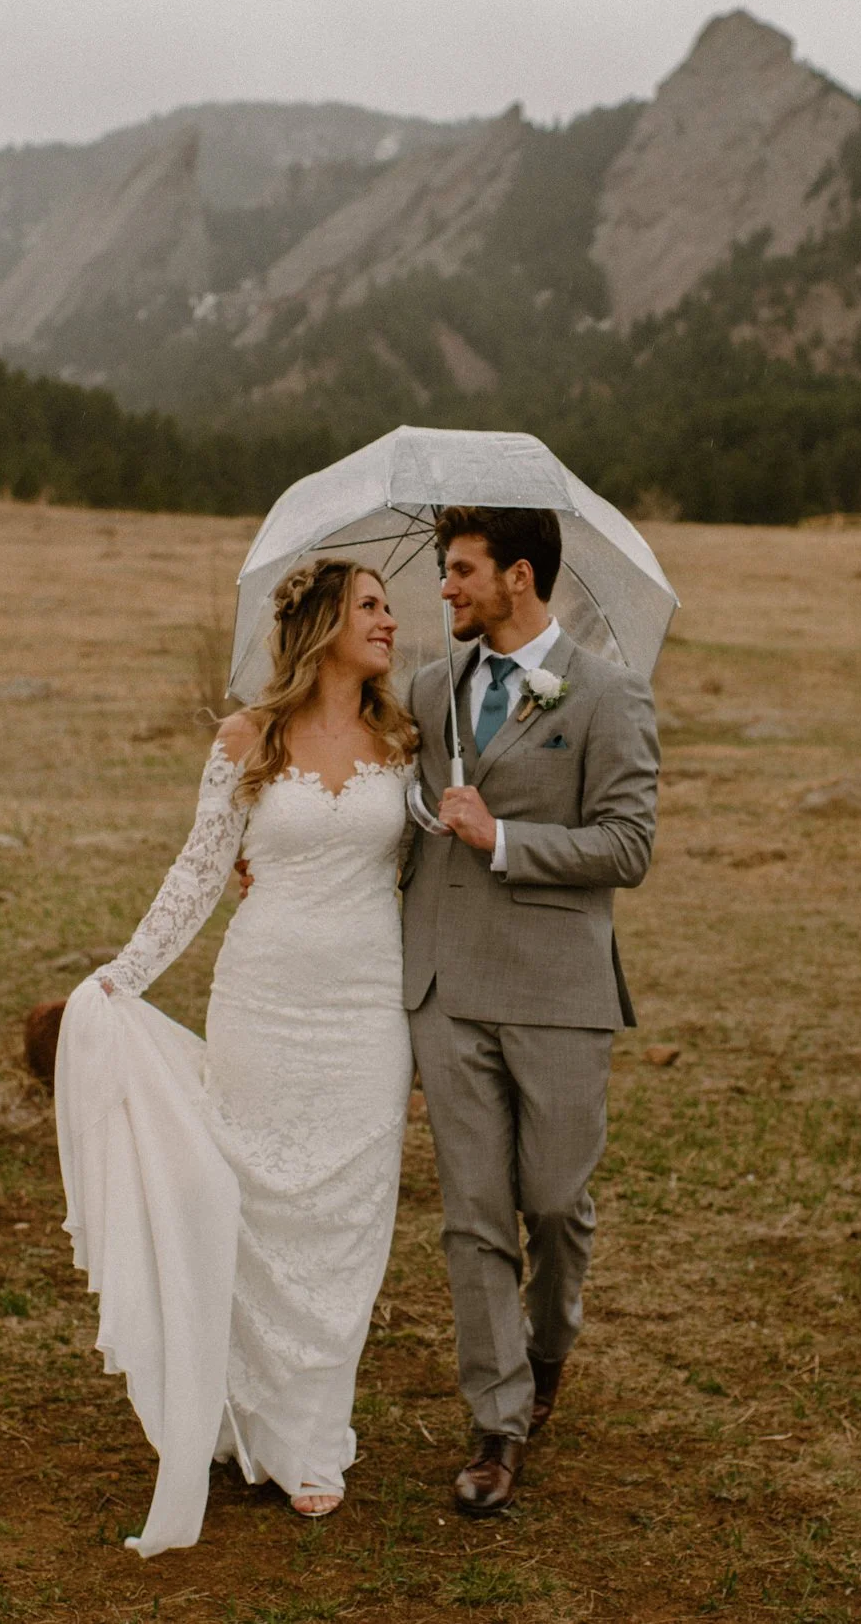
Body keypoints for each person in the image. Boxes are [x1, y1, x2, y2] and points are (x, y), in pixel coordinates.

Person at [59, 558, 417, 1554]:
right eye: (372, 606)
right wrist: (123, 973)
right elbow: (199, 868)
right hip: (262, 1000)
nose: (392, 621)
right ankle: (244, 1413)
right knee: (255, 1203)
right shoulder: (245, 740)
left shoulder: (407, 742)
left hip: (366, 1009)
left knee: (346, 1218)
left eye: (391, 606)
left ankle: (314, 1437)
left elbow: (429, 879)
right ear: (320, 625)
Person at [403, 506, 660, 1515]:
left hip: (557, 991)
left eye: (460, 570)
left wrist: (502, 837)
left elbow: (625, 846)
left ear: (518, 575)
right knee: (473, 1219)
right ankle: (496, 1426)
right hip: (446, 989)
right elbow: (398, 823)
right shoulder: (427, 693)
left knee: (552, 1204)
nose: (445, 589)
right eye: (440, 570)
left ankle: (548, 1354)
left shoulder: (606, 695)